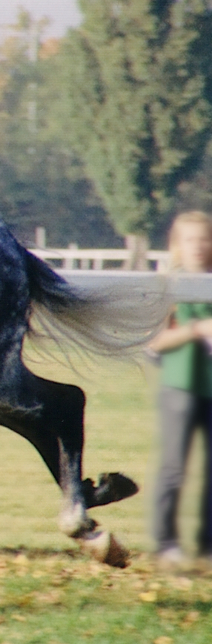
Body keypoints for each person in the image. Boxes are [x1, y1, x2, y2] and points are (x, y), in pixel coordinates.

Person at [147, 210, 212, 568]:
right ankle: (165, 542)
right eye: (190, 240)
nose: (198, 246)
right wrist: (196, 330)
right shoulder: (170, 288)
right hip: (180, 386)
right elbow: (154, 343)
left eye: (204, 238)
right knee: (174, 468)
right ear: (177, 245)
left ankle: (207, 545)